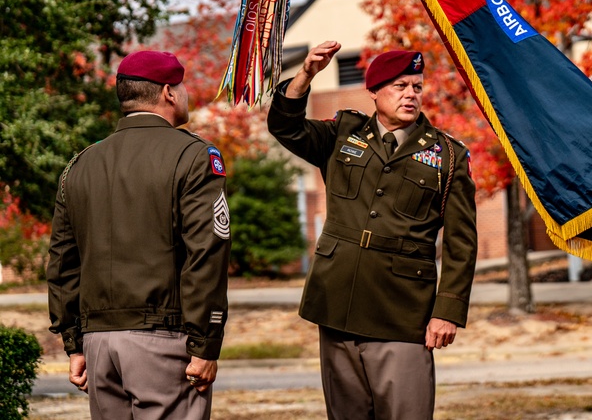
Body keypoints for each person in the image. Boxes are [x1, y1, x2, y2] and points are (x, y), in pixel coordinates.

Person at [267, 40, 478, 420]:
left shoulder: (448, 155)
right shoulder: (343, 133)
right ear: (375, 92)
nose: (410, 95)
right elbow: (284, 125)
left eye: (416, 86)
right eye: (400, 86)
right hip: (336, 303)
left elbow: (462, 242)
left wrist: (447, 311)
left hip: (401, 313)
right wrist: (306, 74)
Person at [47, 50, 232, 420]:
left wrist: (74, 344)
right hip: (163, 340)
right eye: (182, 86)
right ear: (168, 92)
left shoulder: (80, 164)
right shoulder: (194, 155)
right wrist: (206, 344)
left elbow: (62, 262)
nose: (186, 94)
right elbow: (206, 254)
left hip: (98, 345)